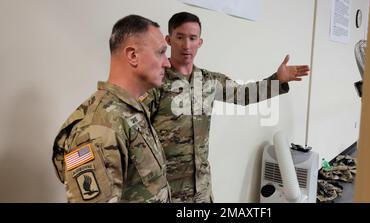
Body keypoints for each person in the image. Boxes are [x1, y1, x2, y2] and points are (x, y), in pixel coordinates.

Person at [142, 12, 310, 202]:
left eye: (192, 38)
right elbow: (136, 136)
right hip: (165, 192)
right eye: (180, 37)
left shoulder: (209, 81)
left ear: (200, 42)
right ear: (168, 40)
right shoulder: (154, 82)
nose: (186, 45)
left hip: (201, 189)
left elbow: (243, 94)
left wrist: (276, 80)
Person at [52, 15, 172, 203]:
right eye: (161, 52)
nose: (167, 63)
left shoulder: (131, 111)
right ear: (133, 55)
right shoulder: (99, 127)